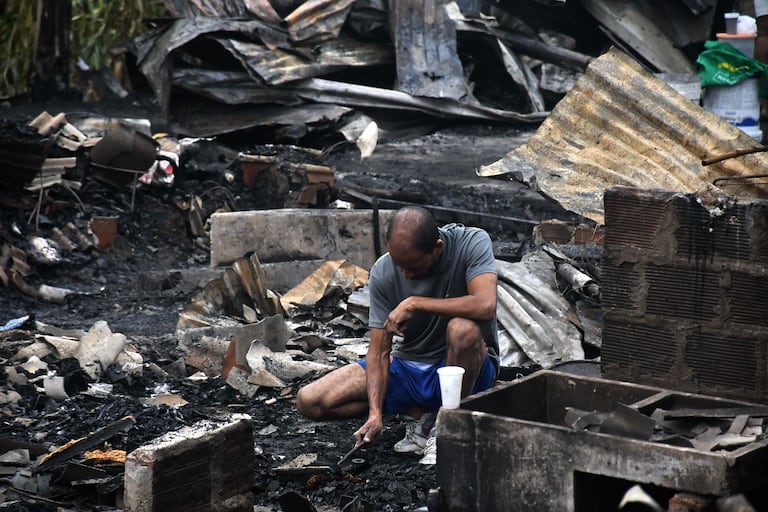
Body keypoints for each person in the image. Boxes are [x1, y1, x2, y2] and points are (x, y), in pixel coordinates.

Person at [296, 206, 500, 465]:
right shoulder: (383, 270)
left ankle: (449, 426)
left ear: (437, 248)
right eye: (399, 265)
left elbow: (485, 304)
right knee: (310, 400)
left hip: (463, 370)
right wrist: (375, 413)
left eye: (413, 266)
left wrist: (416, 302)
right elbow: (379, 352)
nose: (406, 275)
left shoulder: (471, 243)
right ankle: (421, 417)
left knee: (462, 329)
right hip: (409, 368)